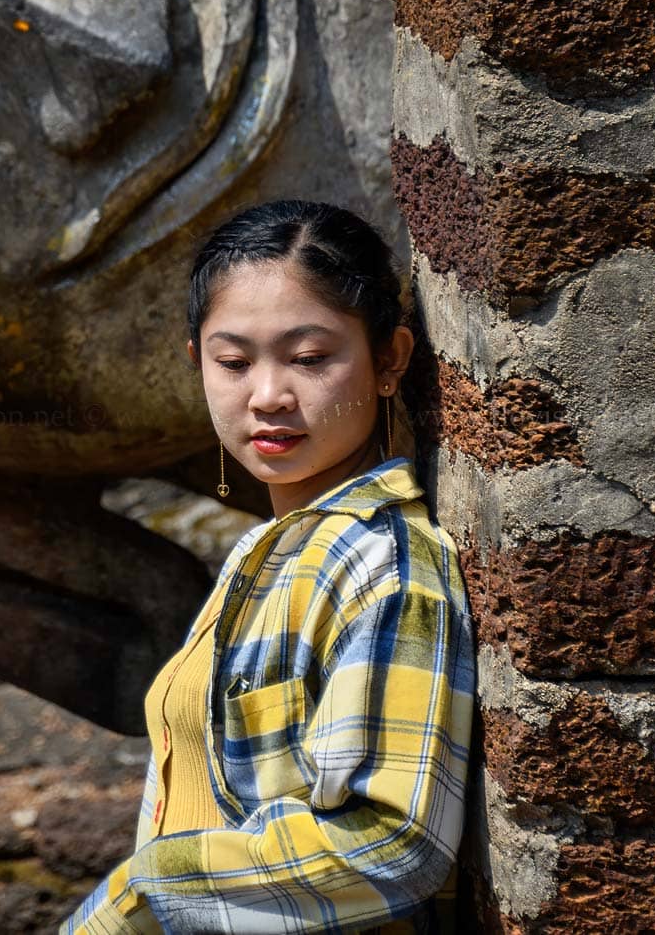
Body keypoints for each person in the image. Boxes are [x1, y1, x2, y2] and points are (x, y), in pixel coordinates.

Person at [60, 200, 477, 934]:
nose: (268, 395)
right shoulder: (270, 549)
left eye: (310, 358)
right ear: (197, 363)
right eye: (233, 360)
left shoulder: (385, 564)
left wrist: (139, 899)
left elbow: (395, 841)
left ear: (390, 360)